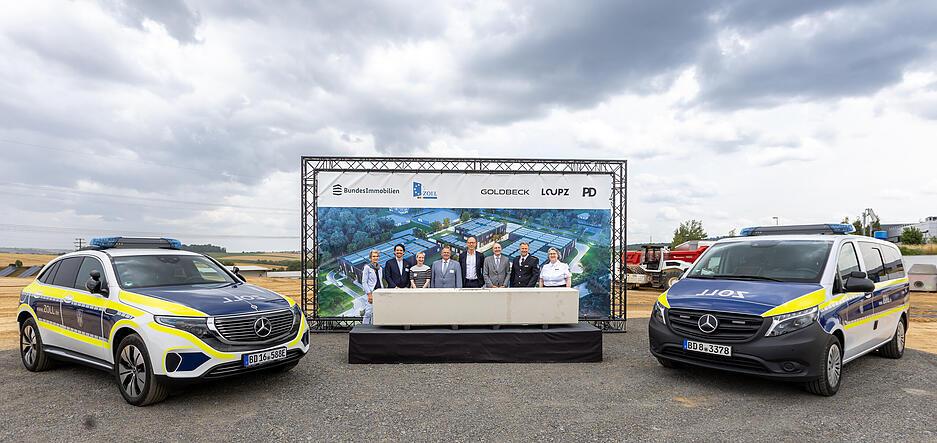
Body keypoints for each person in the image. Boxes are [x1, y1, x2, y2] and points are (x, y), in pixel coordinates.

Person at [360, 250, 383, 324]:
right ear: (370, 258)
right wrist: (369, 294)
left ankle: (374, 327)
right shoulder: (367, 267)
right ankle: (364, 327)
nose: (375, 258)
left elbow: (380, 281)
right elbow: (364, 282)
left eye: (377, 256)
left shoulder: (380, 268)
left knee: (376, 312)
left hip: (379, 292)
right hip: (371, 292)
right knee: (368, 312)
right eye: (374, 256)